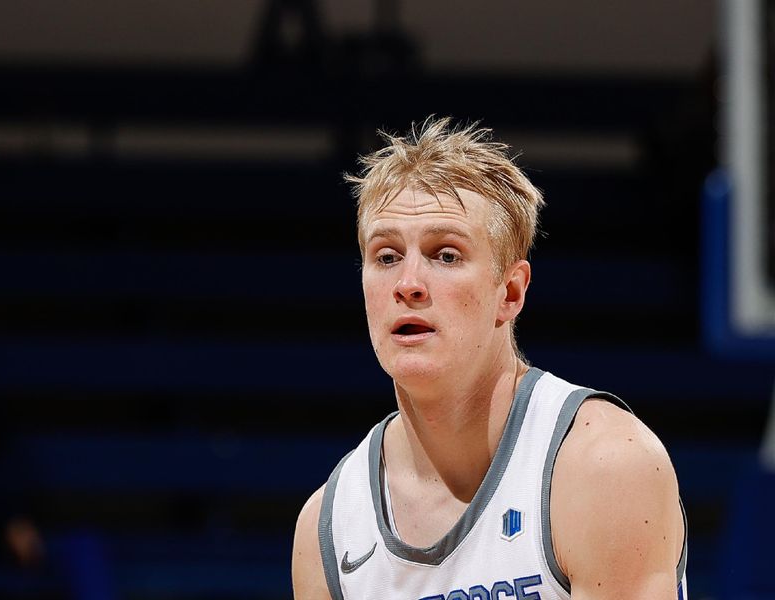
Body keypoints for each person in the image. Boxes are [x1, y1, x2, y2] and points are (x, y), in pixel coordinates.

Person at [292, 117, 687, 600]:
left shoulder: (603, 465)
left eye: (446, 255)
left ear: (511, 291)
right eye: (387, 256)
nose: (408, 283)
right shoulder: (328, 528)